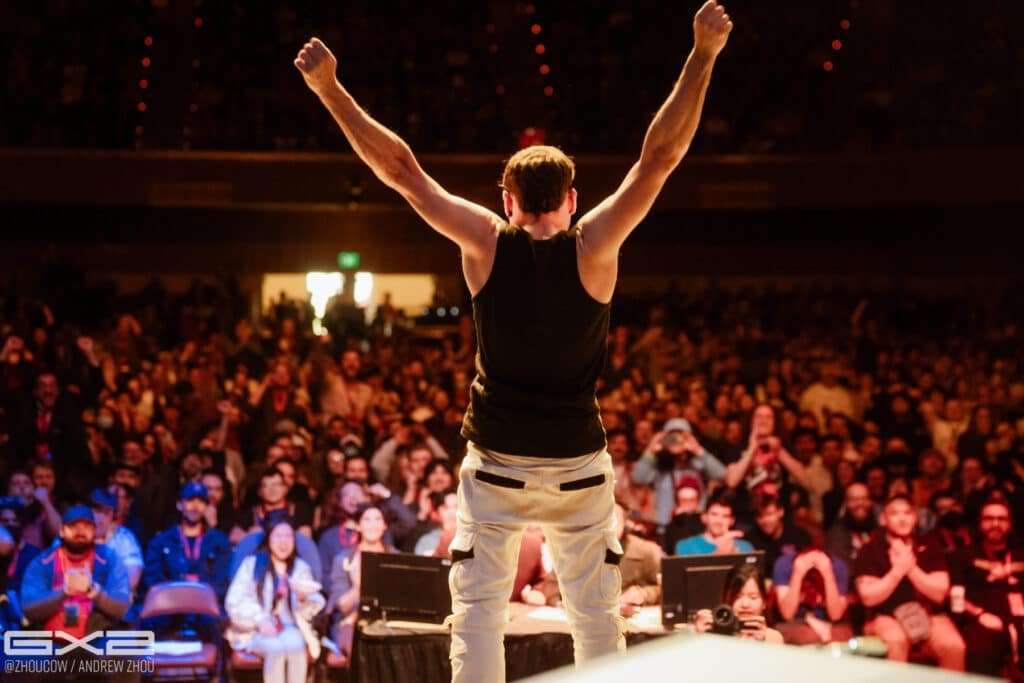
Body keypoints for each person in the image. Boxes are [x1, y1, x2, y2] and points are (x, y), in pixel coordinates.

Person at [294, 6, 734, 681]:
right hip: (579, 467)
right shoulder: (595, 245)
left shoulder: (484, 242)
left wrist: (330, 90)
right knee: (597, 622)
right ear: (572, 198)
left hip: (496, 466)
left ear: (507, 201)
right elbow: (660, 158)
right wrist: (703, 54)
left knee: (477, 618)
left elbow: (403, 170)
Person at [20, 505, 135, 682]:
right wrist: (64, 592)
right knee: (18, 659)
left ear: (95, 532)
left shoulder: (109, 558)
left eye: (87, 526)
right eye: (74, 526)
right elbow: (29, 608)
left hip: (97, 637)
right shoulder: (42, 562)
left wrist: (94, 592)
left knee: (126, 653)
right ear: (61, 531)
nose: (80, 532)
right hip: (51, 640)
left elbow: (122, 606)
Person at [853, 494, 965, 670]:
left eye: (907, 513)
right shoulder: (870, 550)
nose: (902, 519)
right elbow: (868, 597)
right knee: (896, 641)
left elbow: (939, 593)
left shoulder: (930, 545)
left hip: (928, 614)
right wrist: (897, 571)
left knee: (954, 646)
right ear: (883, 519)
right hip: (886, 616)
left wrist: (911, 569)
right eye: (895, 514)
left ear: (915, 518)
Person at [226, 515, 325, 683]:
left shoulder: (300, 568)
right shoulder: (252, 565)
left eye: (288, 536)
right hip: (255, 629)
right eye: (278, 536)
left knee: (296, 644)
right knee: (276, 648)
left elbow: (310, 611)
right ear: (268, 539)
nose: (283, 542)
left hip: (289, 627)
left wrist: (302, 600)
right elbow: (235, 600)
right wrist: (260, 619)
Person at [142, 482, 232, 637]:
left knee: (216, 623)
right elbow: (153, 581)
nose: (195, 506)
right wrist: (180, 595)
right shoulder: (161, 542)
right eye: (190, 500)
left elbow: (222, 582)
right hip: (168, 610)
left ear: (206, 507)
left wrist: (197, 595)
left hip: (206, 613)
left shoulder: (219, 542)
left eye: (201, 502)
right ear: (179, 504)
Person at [950, 496, 1024, 677]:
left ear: (1010, 524)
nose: (995, 524)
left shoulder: (1021, 554)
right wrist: (980, 615)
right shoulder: (963, 556)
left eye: (1002, 519)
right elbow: (954, 595)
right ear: (980, 523)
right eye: (989, 519)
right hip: (982, 621)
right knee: (980, 648)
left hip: (1020, 619)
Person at [631, 418, 726, 531]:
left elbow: (721, 475)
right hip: (666, 527)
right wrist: (650, 450)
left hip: (697, 525)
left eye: (681, 436)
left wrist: (698, 449)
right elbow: (638, 479)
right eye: (671, 437)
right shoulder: (659, 465)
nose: (676, 440)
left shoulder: (698, 463)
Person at [327, 503, 397, 656]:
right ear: (358, 526)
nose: (372, 525)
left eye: (378, 519)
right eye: (367, 520)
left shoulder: (395, 558)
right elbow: (342, 606)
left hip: (388, 621)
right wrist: (359, 586)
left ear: (385, 525)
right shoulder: (344, 559)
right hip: (352, 622)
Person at [773, 547, 851, 644]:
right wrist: (797, 574)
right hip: (795, 623)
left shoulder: (837, 566)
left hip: (829, 623)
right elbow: (787, 614)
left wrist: (828, 574)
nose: (813, 558)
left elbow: (836, 615)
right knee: (809, 636)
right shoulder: (785, 563)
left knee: (844, 636)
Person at [693, 564, 783, 643]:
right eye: (737, 597)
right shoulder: (710, 633)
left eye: (753, 597)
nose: (745, 604)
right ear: (725, 599)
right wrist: (699, 637)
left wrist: (763, 643)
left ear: (764, 602)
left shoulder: (773, 638)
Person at [612, 502, 663, 616]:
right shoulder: (577, 552)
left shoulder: (646, 551)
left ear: (625, 525)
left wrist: (645, 593)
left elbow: (670, 587)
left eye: (614, 520)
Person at [746, 495, 812, 575]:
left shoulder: (799, 535)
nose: (765, 521)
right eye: (760, 516)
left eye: (769, 514)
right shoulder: (750, 539)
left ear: (781, 512)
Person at [675, 492, 754, 556]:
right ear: (704, 517)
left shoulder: (745, 547)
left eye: (725, 516)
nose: (718, 521)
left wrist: (737, 559)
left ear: (732, 521)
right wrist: (719, 554)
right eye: (714, 514)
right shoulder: (685, 546)